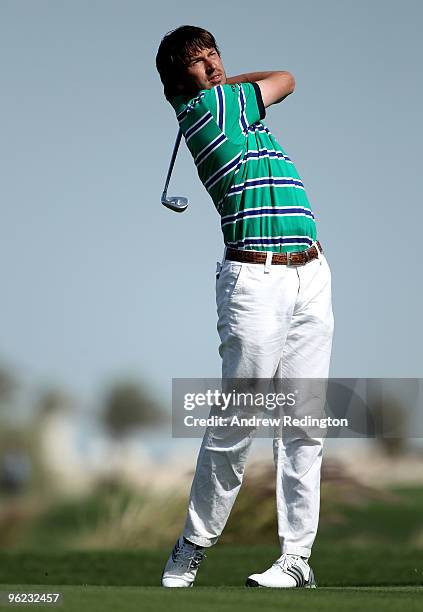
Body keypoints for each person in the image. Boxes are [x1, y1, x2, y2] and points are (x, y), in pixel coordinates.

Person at [156, 25, 334, 588]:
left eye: (213, 57)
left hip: (310, 273)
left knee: (305, 424)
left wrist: (226, 79)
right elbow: (286, 78)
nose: (210, 69)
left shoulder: (235, 110)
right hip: (255, 283)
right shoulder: (210, 110)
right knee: (238, 419)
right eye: (197, 66)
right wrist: (227, 80)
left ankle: (296, 559)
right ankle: (193, 545)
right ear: (181, 87)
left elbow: (271, 87)